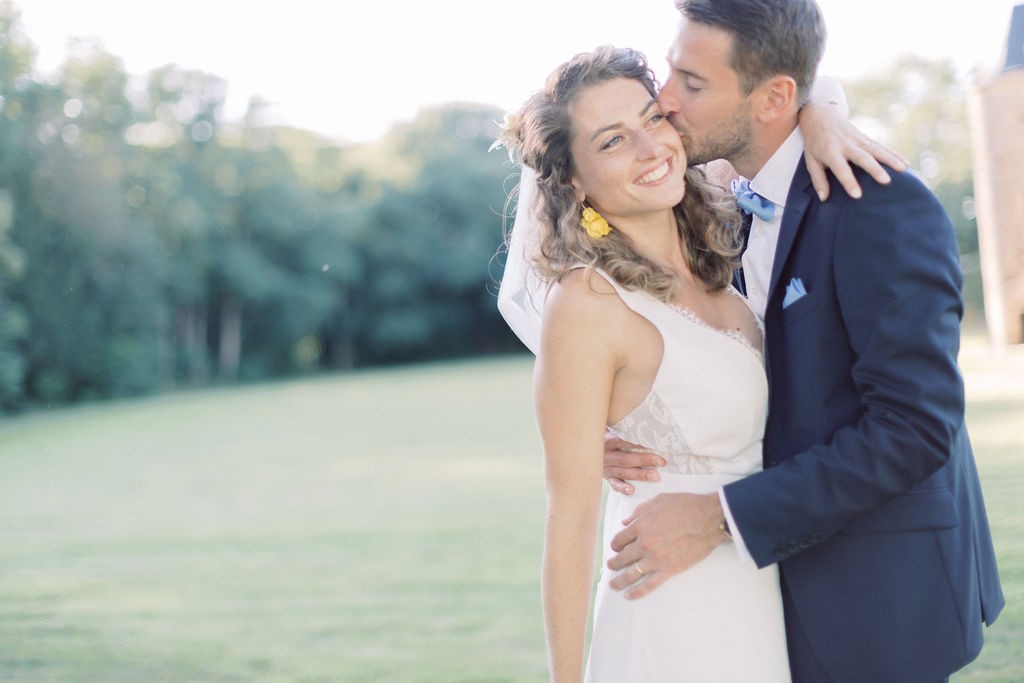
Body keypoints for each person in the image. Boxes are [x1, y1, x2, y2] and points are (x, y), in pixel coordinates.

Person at [598, 1, 1005, 681]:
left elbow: (913, 428)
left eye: (692, 83)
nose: (665, 102)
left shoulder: (880, 205)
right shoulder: (703, 198)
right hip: (750, 602)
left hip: (873, 598)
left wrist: (719, 517)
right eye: (672, 71)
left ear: (776, 97)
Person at [497, 44, 790, 682]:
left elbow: (776, 95)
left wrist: (825, 119)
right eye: (611, 141)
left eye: (652, 118)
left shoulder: (718, 259)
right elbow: (569, 520)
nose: (649, 147)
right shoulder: (588, 303)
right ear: (573, 180)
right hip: (675, 618)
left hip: (766, 594)